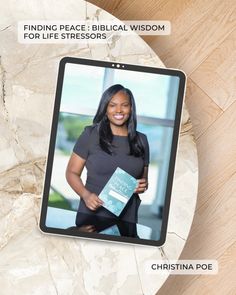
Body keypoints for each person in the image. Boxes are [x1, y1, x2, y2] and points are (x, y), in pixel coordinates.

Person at [66, 84, 149, 226]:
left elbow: (143, 180)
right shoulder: (90, 135)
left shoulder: (142, 140)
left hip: (127, 219)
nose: (119, 110)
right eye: (112, 105)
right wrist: (86, 195)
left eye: (124, 105)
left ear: (131, 109)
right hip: (92, 216)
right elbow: (71, 172)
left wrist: (143, 185)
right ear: (105, 108)